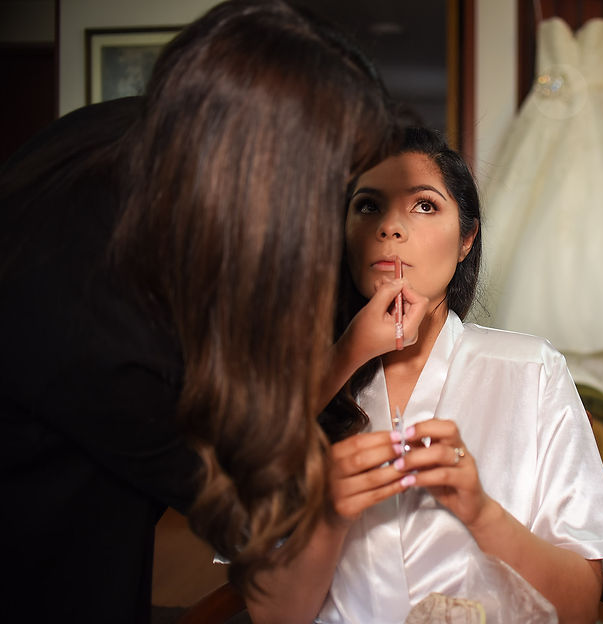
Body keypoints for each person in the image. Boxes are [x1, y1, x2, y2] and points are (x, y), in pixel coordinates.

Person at [0, 1, 406, 621]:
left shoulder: (141, 131)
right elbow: (250, 528)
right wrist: (347, 360)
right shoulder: (101, 329)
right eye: (332, 187)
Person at [245, 127, 603, 624]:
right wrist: (329, 518)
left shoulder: (532, 372)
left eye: (424, 205)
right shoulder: (289, 388)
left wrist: (482, 513)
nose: (390, 227)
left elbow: (579, 609)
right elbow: (271, 616)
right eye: (368, 206)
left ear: (466, 239)